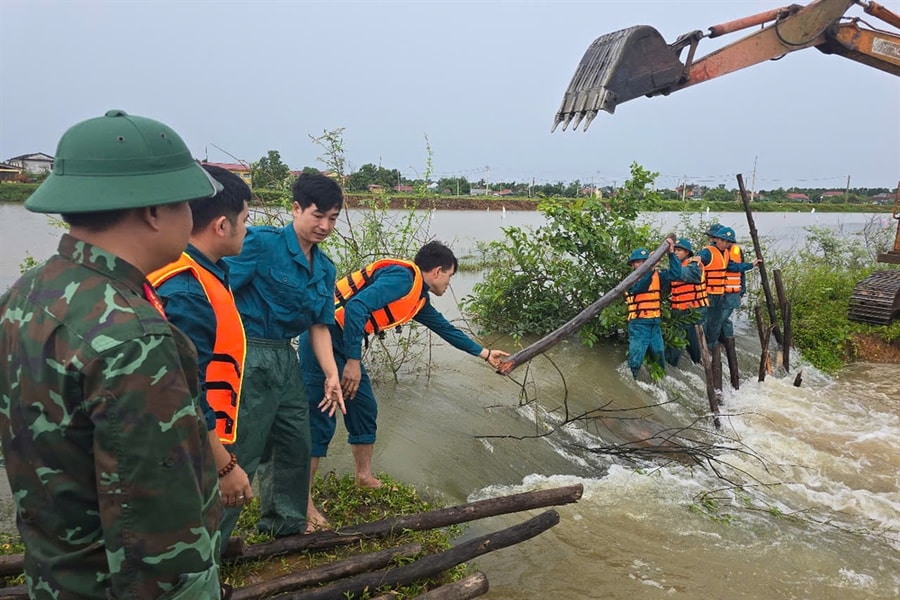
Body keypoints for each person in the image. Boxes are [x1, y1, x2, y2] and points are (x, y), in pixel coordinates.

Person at [0, 110, 225, 598]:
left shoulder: (27, 293)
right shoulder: (134, 339)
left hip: (55, 574)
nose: (192, 216)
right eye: (186, 202)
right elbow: (158, 534)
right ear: (152, 210)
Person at [298, 240, 509, 524]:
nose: (449, 284)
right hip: (321, 339)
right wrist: (353, 362)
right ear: (436, 271)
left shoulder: (418, 298)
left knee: (364, 406)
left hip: (343, 343)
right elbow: (357, 307)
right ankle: (304, 504)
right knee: (321, 417)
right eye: (449, 276)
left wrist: (485, 354)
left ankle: (363, 476)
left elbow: (445, 328)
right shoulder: (402, 279)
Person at [219, 173, 346, 540]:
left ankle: (285, 524)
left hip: (284, 358)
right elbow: (219, 293)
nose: (325, 226)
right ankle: (212, 543)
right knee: (242, 447)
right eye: (318, 215)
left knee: (294, 440)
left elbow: (319, 325)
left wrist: (331, 373)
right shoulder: (260, 243)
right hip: (247, 352)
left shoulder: (324, 268)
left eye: (333, 218)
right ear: (296, 208)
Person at [149, 165, 254, 512]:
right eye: (245, 219)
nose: (247, 229)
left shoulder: (185, 267)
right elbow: (186, 392)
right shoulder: (189, 292)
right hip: (182, 451)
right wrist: (224, 466)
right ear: (222, 226)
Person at [624, 238, 681, 379]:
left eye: (644, 261)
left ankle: (659, 382)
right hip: (638, 324)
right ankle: (633, 380)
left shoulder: (657, 276)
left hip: (654, 323)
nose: (641, 264)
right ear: (633, 265)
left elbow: (676, 274)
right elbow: (641, 287)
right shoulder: (630, 280)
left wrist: (671, 253)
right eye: (638, 262)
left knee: (659, 354)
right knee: (636, 357)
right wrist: (650, 268)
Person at [664, 238, 708, 366]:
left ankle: (674, 366)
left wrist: (670, 256)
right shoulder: (675, 267)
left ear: (687, 253)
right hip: (679, 311)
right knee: (684, 340)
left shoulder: (694, 266)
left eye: (679, 250)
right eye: (675, 250)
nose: (676, 253)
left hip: (693, 311)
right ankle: (693, 363)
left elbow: (680, 274)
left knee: (684, 341)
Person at [696, 224, 730, 348]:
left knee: (715, 322)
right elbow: (699, 260)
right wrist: (697, 259)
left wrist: (749, 265)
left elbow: (731, 267)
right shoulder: (707, 252)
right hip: (707, 293)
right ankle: (702, 347)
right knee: (703, 320)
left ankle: (712, 346)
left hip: (719, 294)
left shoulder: (725, 253)